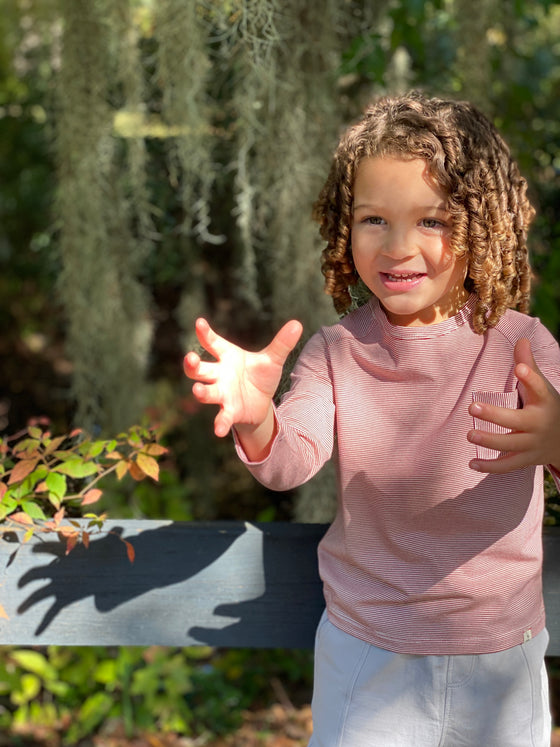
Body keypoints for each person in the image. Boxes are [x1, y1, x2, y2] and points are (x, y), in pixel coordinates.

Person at [183, 91, 560, 746]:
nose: (399, 245)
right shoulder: (337, 351)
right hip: (367, 656)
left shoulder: (524, 345)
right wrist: (255, 418)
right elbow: (289, 458)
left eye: (433, 221)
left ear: (483, 224)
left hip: (503, 661)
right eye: (373, 220)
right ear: (343, 227)